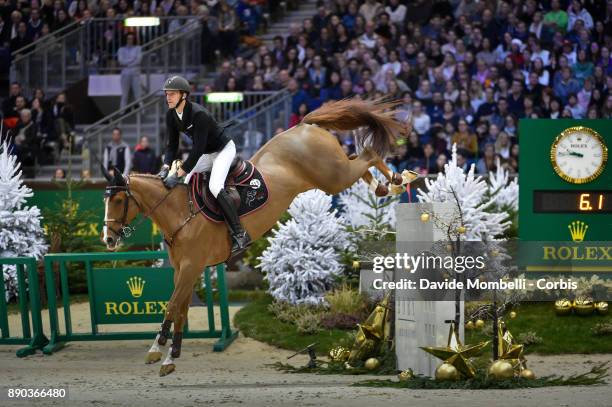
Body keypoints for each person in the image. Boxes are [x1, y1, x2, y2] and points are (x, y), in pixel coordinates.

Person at [158, 75, 251, 255]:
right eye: (167, 94)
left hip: (223, 149)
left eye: (172, 94)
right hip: (207, 153)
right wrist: (165, 167)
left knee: (215, 186)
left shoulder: (199, 114)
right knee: (186, 180)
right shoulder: (171, 115)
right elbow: (172, 145)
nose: (168, 97)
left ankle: (240, 234)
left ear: (184, 95)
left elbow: (198, 149)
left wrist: (178, 173)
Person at [117, 33, 142, 109]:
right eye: (128, 38)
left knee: (138, 94)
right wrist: (132, 59)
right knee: (124, 95)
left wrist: (127, 63)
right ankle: (122, 112)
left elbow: (138, 60)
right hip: (125, 74)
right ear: (126, 39)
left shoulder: (138, 48)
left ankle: (142, 110)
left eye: (131, 38)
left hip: (135, 73)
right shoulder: (121, 49)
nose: (130, 40)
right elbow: (121, 61)